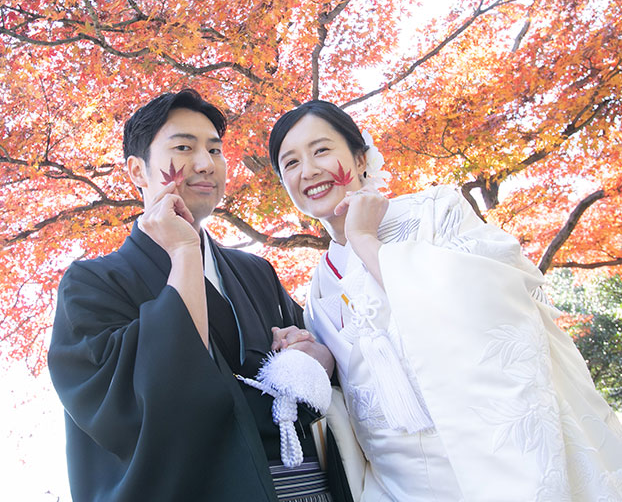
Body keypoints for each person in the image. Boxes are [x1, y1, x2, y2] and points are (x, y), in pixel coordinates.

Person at [268, 100, 622, 502]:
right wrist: (322, 357)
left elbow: (490, 305)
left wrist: (367, 241)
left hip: (484, 459)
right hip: (394, 484)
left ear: (361, 158)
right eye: (291, 163)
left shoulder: (435, 211)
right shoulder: (318, 286)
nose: (309, 170)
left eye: (321, 150)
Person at [48, 90, 353, 502]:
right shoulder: (93, 283)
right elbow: (149, 397)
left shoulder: (254, 272)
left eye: (215, 149)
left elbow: (322, 367)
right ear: (137, 170)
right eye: (183, 148)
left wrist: (315, 355)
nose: (206, 164)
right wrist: (184, 252)